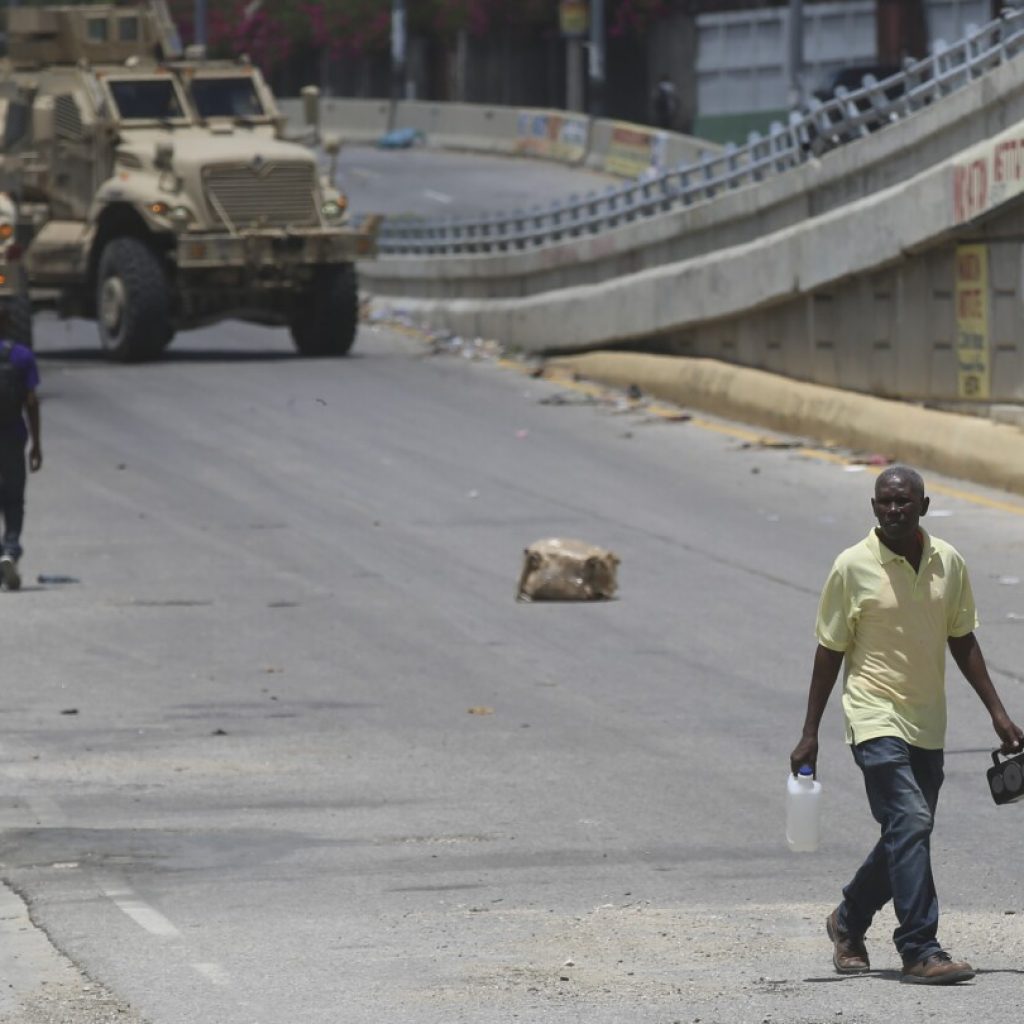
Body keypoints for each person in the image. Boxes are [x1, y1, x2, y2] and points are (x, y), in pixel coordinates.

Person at [790, 465, 1023, 985]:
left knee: (906, 830)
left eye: (902, 502)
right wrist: (810, 732)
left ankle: (847, 921)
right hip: (873, 715)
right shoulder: (852, 566)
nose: (892, 510)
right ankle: (920, 947)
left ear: (924, 505)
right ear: (873, 507)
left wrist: (998, 711)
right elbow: (829, 650)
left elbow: (962, 638)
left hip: (927, 720)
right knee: (911, 823)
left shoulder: (949, 562)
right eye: (883, 502)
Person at [0, 306, 41, 591]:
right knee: (14, 499)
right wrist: (37, 444)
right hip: (13, 436)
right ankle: (10, 551)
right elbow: (31, 402)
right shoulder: (22, 356)